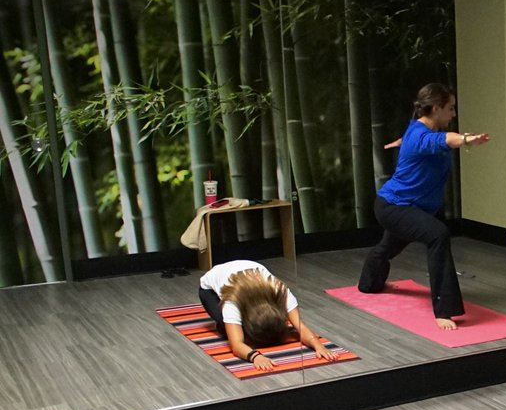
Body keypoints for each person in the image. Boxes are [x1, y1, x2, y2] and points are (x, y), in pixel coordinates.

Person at [357, 83, 490, 331]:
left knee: (388, 246)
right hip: (395, 206)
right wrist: (467, 139)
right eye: (450, 108)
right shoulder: (424, 135)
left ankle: (368, 283)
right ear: (436, 108)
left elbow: (419, 139)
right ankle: (444, 309)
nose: (453, 114)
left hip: (412, 207)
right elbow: (444, 140)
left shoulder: (417, 131)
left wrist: (402, 142)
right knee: (438, 235)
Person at [198, 259, 337, 371]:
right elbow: (236, 344)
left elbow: (301, 327)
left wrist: (318, 345)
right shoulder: (232, 303)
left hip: (248, 269)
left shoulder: (281, 291)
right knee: (227, 328)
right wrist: (255, 356)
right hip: (208, 291)